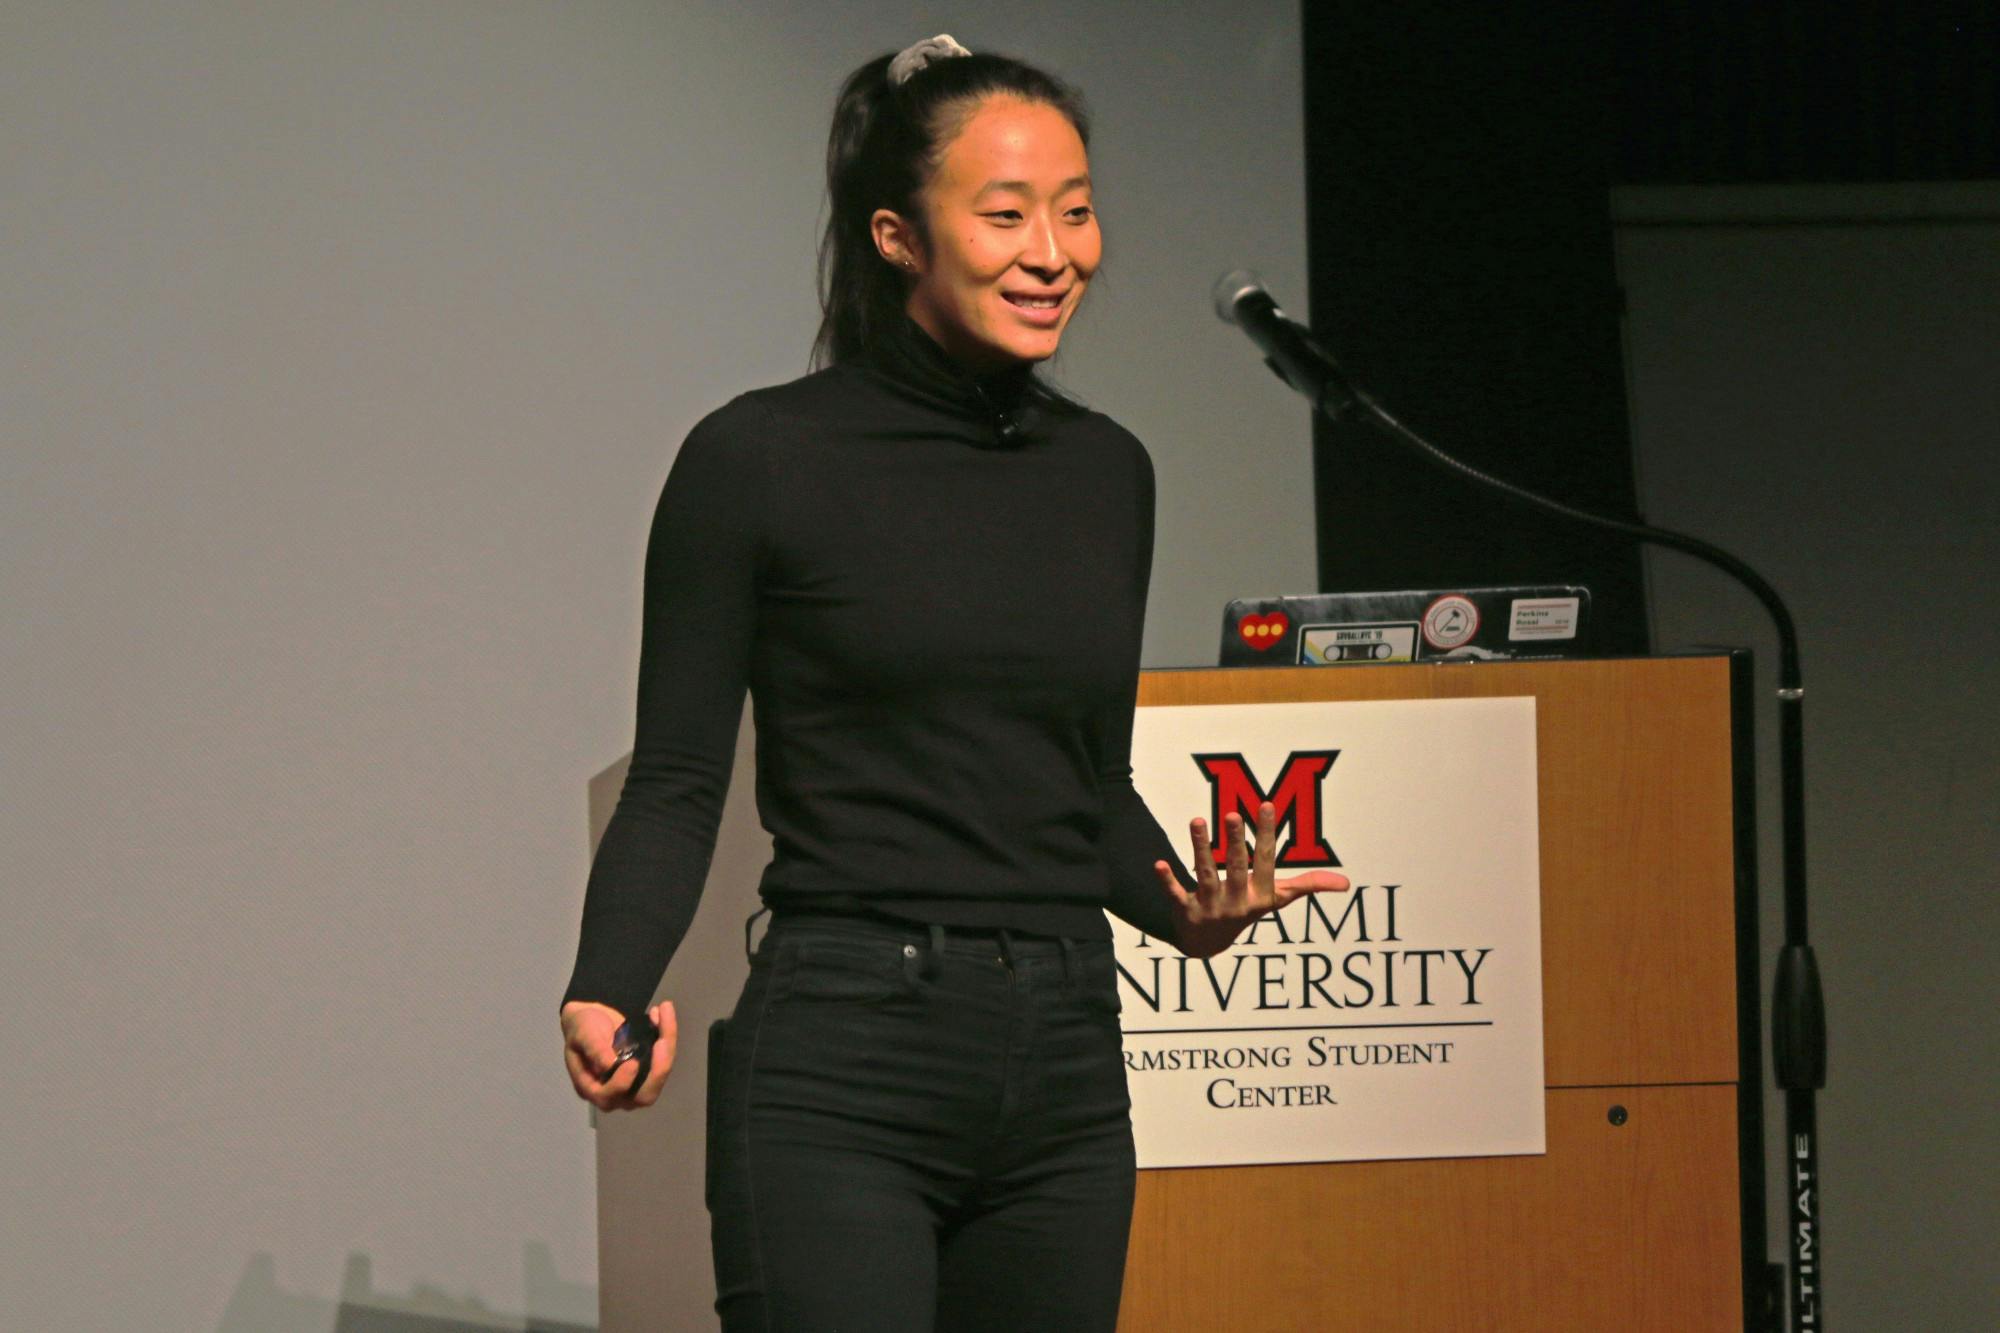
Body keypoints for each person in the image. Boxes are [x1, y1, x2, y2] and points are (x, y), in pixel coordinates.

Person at [557, 34, 1348, 1331]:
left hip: (1068, 1064)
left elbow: (1083, 782)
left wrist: (1187, 910)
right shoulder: (757, 458)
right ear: (897, 237)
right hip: (845, 1054)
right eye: (1006, 213)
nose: (1054, 252)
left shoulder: (1109, 472)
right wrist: (608, 977)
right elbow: (681, 776)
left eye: (1076, 211)